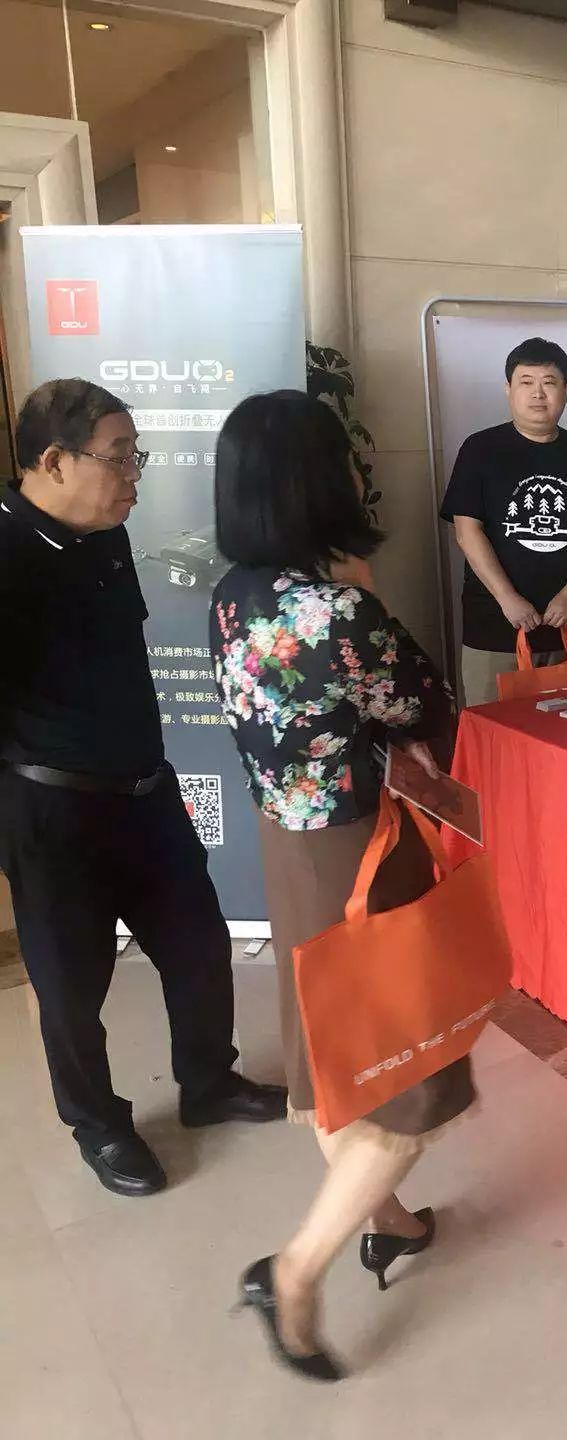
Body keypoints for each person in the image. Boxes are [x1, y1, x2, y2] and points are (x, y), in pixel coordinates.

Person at [210, 390, 475, 1381]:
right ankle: (294, 1273)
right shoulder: (335, 610)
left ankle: (389, 1222)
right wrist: (365, 589)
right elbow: (428, 705)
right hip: (360, 853)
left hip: (286, 847)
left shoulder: (231, 595)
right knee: (407, 1091)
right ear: (316, 482)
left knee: (339, 1065)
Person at [0, 379, 286, 1200]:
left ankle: (209, 1082)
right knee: (71, 987)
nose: (134, 477)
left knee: (198, 944)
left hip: (145, 791)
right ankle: (98, 1124)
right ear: (53, 461)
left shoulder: (107, 538)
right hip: (52, 807)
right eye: (118, 458)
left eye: (137, 457)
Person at [440, 337, 567, 707]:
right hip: (495, 627)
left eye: (549, 382)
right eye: (526, 382)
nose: (538, 393)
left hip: (565, 624)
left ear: (566, 391)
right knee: (495, 727)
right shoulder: (480, 450)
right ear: (508, 389)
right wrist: (507, 598)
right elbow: (466, 530)